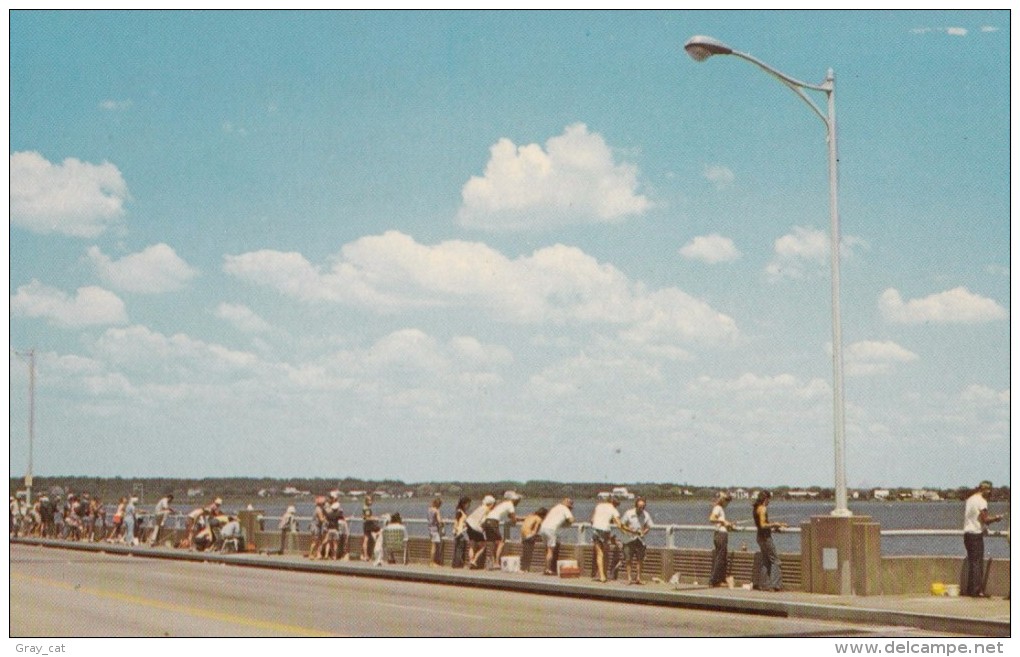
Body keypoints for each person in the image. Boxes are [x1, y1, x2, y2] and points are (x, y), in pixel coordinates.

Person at [963, 480, 1003, 597]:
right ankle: (976, 591)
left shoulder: (970, 499)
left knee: (972, 562)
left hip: (967, 534)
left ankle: (971, 590)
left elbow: (975, 518)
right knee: (977, 563)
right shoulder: (982, 502)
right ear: (985, 490)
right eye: (990, 491)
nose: (990, 494)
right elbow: (985, 519)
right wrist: (996, 518)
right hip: (976, 535)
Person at [753, 490, 786, 591]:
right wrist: (776, 524)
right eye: (769, 500)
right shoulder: (763, 509)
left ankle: (764, 585)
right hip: (766, 537)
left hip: (759, 536)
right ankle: (775, 585)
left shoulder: (756, 508)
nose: (769, 502)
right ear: (765, 499)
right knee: (775, 561)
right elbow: (763, 524)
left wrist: (773, 526)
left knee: (766, 561)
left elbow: (761, 525)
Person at [590, 495, 628, 582]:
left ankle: (601, 575)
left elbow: (592, 520)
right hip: (605, 531)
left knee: (599, 554)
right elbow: (619, 524)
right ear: (614, 503)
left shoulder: (599, 506)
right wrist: (625, 532)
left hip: (596, 530)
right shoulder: (613, 509)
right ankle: (604, 575)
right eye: (617, 505)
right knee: (605, 553)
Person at [483, 491, 521, 570]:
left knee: (492, 543)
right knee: (500, 542)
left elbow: (509, 515)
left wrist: (518, 518)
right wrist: (514, 522)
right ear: (513, 500)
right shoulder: (510, 504)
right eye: (517, 501)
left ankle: (491, 563)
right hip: (493, 522)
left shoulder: (503, 504)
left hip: (487, 521)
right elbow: (513, 518)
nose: (518, 502)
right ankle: (497, 563)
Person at [620, 497, 653, 584]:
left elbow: (649, 526)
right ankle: (629, 578)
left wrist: (644, 532)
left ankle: (638, 578)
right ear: (636, 506)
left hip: (640, 539)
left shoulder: (646, 514)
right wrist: (631, 530)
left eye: (643, 507)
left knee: (640, 559)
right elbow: (622, 525)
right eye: (639, 506)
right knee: (628, 559)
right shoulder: (629, 513)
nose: (641, 508)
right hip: (629, 538)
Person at [540, 498, 575, 575]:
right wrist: (566, 523)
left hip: (543, 528)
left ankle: (546, 568)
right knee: (550, 550)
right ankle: (548, 570)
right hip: (551, 529)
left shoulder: (555, 507)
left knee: (547, 550)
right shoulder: (565, 509)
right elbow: (571, 520)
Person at [709, 492, 735, 587]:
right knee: (720, 558)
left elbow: (720, 522)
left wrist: (728, 524)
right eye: (726, 500)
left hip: (719, 534)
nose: (727, 503)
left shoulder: (719, 509)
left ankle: (719, 580)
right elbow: (711, 519)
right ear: (722, 500)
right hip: (721, 535)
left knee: (722, 558)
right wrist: (724, 521)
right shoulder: (718, 508)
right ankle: (714, 581)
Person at [466, 495, 496, 569]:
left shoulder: (480, 507)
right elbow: (484, 521)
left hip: (469, 525)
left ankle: (470, 561)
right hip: (476, 527)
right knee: (483, 546)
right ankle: (474, 560)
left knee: (472, 545)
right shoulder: (487, 510)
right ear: (491, 504)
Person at [519, 507, 548, 571]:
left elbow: (522, 519)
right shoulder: (539, 519)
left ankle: (523, 568)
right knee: (529, 552)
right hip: (529, 535)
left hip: (522, 535)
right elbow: (535, 530)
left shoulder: (530, 516)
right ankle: (526, 568)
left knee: (525, 552)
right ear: (543, 515)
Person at [451, 496, 472, 568]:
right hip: (460, 532)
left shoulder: (461, 511)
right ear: (464, 504)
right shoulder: (459, 511)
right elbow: (456, 521)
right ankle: (458, 564)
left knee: (459, 548)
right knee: (459, 548)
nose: (469, 506)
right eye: (468, 504)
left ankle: (457, 564)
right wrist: (455, 530)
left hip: (462, 532)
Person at [361, 495, 379, 561]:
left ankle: (365, 555)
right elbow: (367, 517)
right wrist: (375, 518)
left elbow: (364, 517)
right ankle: (366, 555)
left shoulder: (365, 507)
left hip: (366, 525)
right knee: (379, 532)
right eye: (370, 500)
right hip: (368, 525)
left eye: (371, 500)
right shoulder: (367, 508)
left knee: (366, 539)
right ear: (366, 501)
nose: (371, 502)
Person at [427, 497, 444, 567]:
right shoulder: (436, 511)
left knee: (432, 545)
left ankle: (432, 562)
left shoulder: (429, 509)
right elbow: (439, 521)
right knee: (434, 547)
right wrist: (443, 523)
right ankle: (432, 562)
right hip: (435, 530)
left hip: (430, 528)